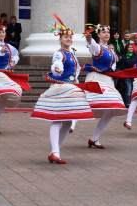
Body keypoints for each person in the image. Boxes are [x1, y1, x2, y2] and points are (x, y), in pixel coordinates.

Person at [31, 17, 97, 163]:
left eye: (70, 37)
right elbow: (56, 63)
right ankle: (55, 151)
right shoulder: (59, 53)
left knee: (67, 122)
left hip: (71, 87)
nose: (69, 39)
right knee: (57, 119)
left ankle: (54, 152)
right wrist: (57, 68)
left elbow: (76, 70)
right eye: (66, 37)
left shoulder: (72, 53)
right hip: (61, 88)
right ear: (60, 39)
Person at [83, 23, 137, 149]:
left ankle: (94, 138)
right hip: (96, 78)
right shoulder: (97, 47)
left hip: (107, 80)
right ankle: (72, 124)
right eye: (103, 32)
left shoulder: (111, 50)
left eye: (108, 32)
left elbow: (113, 66)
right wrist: (89, 39)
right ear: (98, 34)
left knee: (111, 110)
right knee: (85, 103)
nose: (106, 34)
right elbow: (92, 45)